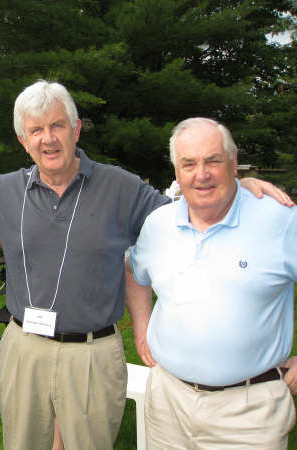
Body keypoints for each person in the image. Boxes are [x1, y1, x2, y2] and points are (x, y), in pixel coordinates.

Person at [0, 81, 292, 450]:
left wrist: (236, 186)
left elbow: (190, 207)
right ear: (22, 141)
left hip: (93, 352)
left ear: (76, 130)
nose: (48, 138)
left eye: (57, 125)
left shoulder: (121, 187)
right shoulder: (2, 190)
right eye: (36, 130)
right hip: (24, 345)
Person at [126, 117, 297, 449]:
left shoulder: (280, 220)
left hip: (249, 415)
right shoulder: (158, 225)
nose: (200, 174)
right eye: (188, 163)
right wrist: (141, 326)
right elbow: (134, 271)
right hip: (167, 404)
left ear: (234, 164)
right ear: (177, 172)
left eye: (212, 161)